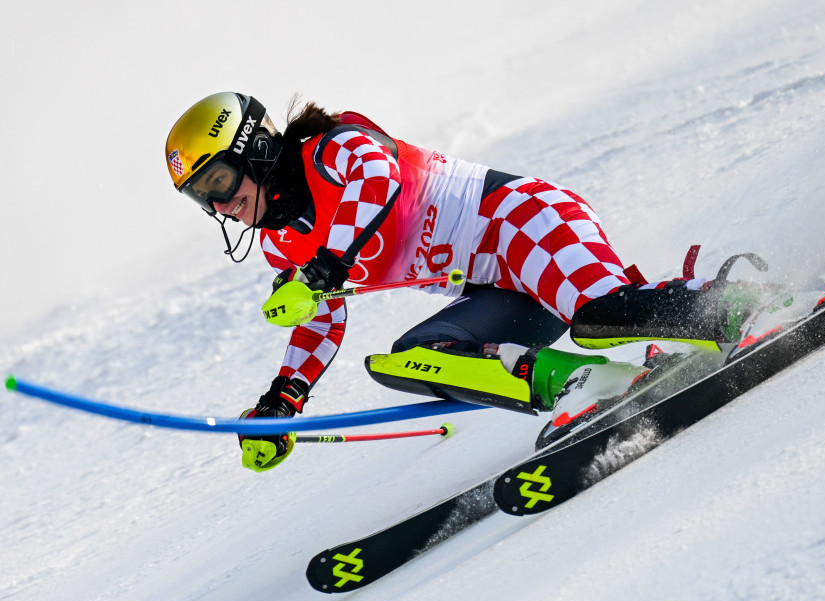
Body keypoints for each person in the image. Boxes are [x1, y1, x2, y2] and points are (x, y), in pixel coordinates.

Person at [165, 92, 751, 472]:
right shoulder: (282, 244)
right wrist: (282, 400)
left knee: (600, 316)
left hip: (521, 222)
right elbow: (320, 316)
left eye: (219, 179)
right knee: (418, 359)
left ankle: (744, 307)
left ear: (258, 151)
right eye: (202, 197)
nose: (222, 205)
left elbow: (377, 176)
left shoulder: (330, 148)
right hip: (499, 289)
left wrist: (329, 265)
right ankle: (599, 386)